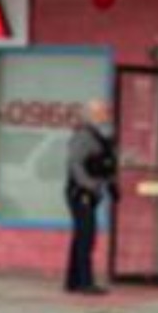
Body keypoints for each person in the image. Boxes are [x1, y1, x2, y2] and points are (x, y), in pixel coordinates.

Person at [64, 98, 117, 295]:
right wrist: (89, 185)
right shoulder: (84, 136)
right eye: (103, 112)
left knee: (81, 236)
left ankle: (73, 281)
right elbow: (75, 164)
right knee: (86, 237)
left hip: (91, 192)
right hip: (80, 192)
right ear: (92, 114)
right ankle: (85, 282)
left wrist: (111, 184)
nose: (107, 115)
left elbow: (105, 162)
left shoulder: (100, 136)